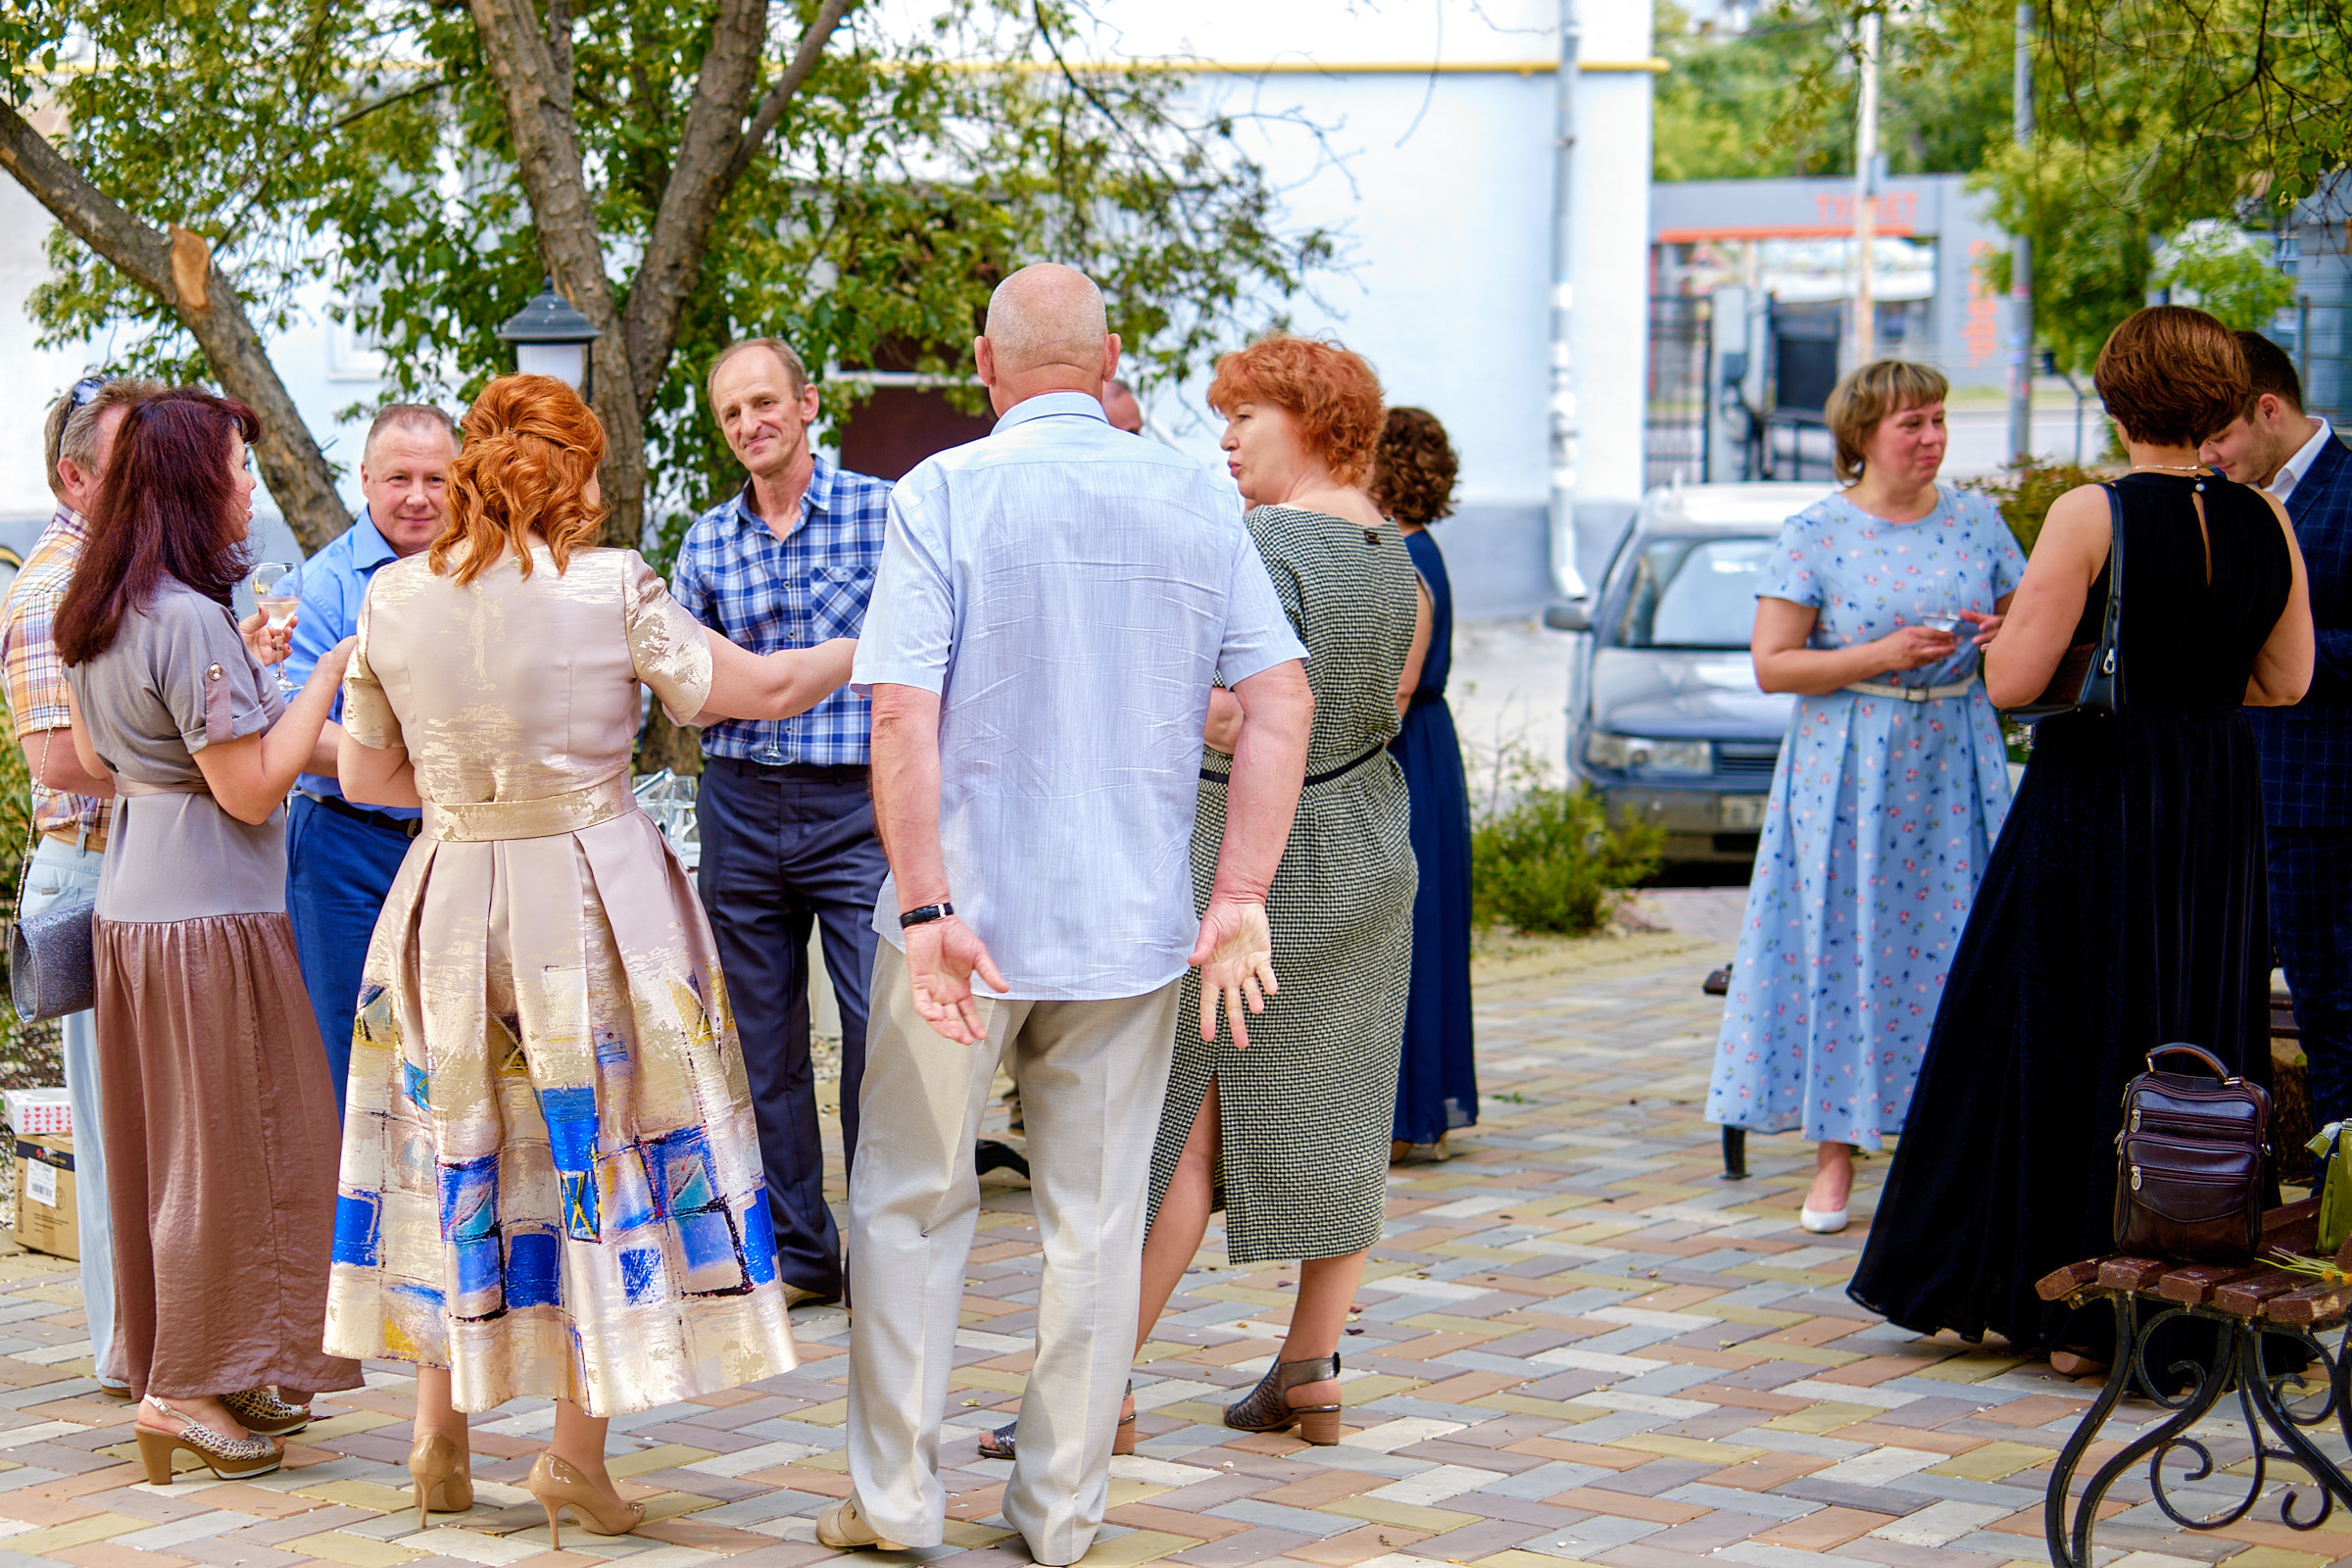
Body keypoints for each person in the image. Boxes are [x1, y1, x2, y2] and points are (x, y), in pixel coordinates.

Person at [823, 265, 1312, 1567]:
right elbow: (1283, 700)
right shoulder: (1194, 498)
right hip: (1130, 924)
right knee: (1094, 1225)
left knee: (909, 1203)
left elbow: (898, 711)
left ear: (985, 367)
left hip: (966, 920)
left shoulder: (944, 491)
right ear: (1108, 365)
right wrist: (1239, 897)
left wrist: (925, 905)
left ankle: (893, 1501)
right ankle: (1057, 1512)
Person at [322, 374, 850, 1545]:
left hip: (446, 898)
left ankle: (439, 1435)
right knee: (591, 1144)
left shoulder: (393, 599)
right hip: (588, 902)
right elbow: (749, 693)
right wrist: (865, 647)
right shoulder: (612, 587)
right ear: (572, 473)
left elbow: (363, 780)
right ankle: (570, 1457)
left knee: (452, 1143)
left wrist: (470, 801)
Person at [1849, 307, 2313, 1365]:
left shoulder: (2090, 513)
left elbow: (2013, 685)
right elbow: (2288, 681)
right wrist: (2191, 682)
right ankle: (2183, 1281)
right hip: (2213, 791)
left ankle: (2071, 1308)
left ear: (2115, 396)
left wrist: (2015, 641)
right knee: (2193, 1019)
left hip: (2101, 786)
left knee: (2068, 1018)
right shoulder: (2265, 518)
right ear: (2221, 399)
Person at [54, 388, 364, 1481]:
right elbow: (246, 788)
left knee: (180, 1154)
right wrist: (326, 672)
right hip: (210, 916)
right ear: (192, 481)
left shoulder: (100, 606)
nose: (247, 487)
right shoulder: (186, 615)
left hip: (143, 904)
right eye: (236, 467)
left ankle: (207, 1365)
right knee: (220, 1159)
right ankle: (180, 1389)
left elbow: (103, 758)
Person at [1134, 334, 1420, 1450]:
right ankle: (1309, 1369)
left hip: (1257, 858)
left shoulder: (1258, 542)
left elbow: (1230, 712)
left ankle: (1092, 1389)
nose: (1225, 435)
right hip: (1367, 844)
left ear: (1306, 417)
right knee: (1342, 1112)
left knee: (1184, 1133)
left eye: (1244, 413)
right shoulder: (1387, 546)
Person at [1704, 361, 2024, 1234]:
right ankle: (1835, 1156)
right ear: (1862, 437)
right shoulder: (1814, 531)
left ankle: (1955, 1150)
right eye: (1911, 423)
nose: (1932, 438)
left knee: (1967, 944)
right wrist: (1879, 655)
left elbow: (2033, 632)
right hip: (1849, 765)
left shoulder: (1978, 521)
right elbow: (1775, 665)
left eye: (1939, 420)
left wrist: (2006, 634)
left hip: (1957, 758)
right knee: (1843, 945)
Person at [671, 337, 892, 1306]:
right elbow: (682, 688)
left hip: (860, 804)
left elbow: (925, 653)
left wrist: (744, 678)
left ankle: (888, 1252)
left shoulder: (887, 514)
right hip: (742, 806)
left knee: (879, 1027)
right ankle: (804, 1250)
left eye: (766, 403)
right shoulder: (705, 542)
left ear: (806, 403)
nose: (751, 423)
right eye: (732, 414)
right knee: (763, 1043)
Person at [0, 376, 148, 1398]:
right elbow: (58, 762)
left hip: (132, 863)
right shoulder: (54, 585)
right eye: (132, 461)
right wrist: (197, 766)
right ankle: (124, 1354)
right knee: (109, 1133)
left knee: (142, 1126)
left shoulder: (109, 568)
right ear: (76, 474)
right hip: (92, 874)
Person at [2199, 332, 2352, 1129]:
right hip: (2225, 793)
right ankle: (2210, 1195)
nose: (2212, 455)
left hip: (2322, 807)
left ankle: (2342, 1215)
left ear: (2269, 408)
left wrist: (2266, 644)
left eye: (2221, 435)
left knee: (2335, 1013)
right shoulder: (2219, 500)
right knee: (2203, 1007)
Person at [283, 405, 456, 1107]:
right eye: (398, 477)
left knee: (451, 1060)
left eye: (436, 478)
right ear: (364, 480)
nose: (418, 496)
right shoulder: (327, 587)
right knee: (354, 1066)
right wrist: (424, 777)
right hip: (346, 852)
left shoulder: (483, 575)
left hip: (455, 851)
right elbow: (298, 734)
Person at [1371, 407, 1478, 1162]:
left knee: (1407, 930)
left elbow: (1397, 689)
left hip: (1407, 754)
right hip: (1428, 750)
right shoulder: (1418, 549)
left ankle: (1409, 1118)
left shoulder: (1405, 558)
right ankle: (1414, 1111)